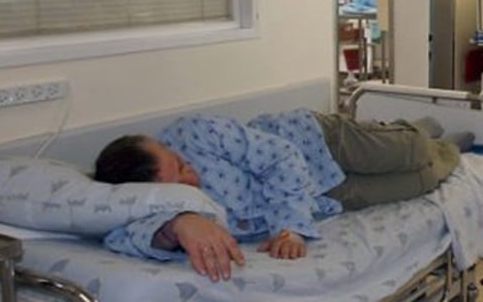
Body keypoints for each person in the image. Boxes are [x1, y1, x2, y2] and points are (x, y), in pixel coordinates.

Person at [94, 109, 463, 281]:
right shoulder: (157, 212)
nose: (191, 173)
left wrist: (291, 228)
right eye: (180, 180)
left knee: (413, 151)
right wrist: (178, 225)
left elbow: (280, 157)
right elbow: (122, 235)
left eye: (179, 162)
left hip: (316, 143)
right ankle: (452, 146)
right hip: (322, 196)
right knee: (423, 179)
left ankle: (418, 129)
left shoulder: (192, 134)